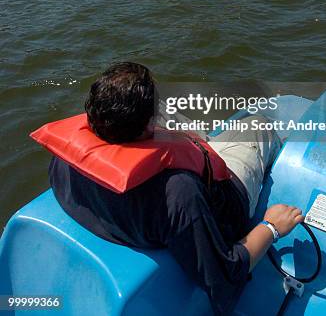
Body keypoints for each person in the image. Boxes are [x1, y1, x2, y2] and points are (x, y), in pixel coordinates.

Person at [49, 62, 304, 315]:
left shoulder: (63, 159)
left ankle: (200, 143)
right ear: (148, 126)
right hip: (225, 194)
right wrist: (271, 226)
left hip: (154, 170)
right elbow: (223, 279)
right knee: (258, 125)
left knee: (173, 117)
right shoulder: (178, 192)